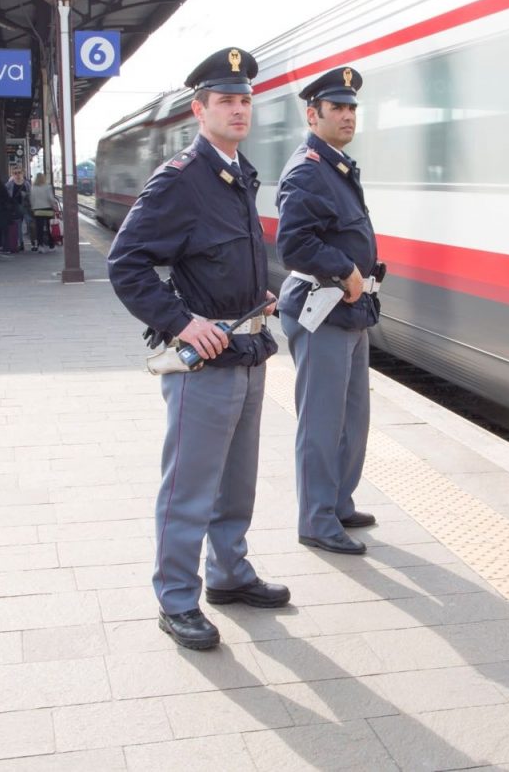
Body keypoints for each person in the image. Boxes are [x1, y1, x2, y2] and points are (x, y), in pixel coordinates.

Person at [107, 47, 287, 652]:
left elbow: (213, 254)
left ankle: (230, 574)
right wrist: (181, 322)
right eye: (226, 101)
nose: (239, 110)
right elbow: (126, 263)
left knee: (237, 481)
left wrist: (249, 294)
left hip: (247, 350)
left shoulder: (238, 173)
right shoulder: (181, 179)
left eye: (245, 101)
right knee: (189, 486)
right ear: (199, 108)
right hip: (204, 362)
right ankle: (176, 598)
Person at [275, 66, 382, 556]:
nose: (347, 116)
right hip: (324, 307)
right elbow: (294, 244)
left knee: (352, 417)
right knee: (321, 421)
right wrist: (346, 269)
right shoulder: (307, 168)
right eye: (336, 108)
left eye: (351, 108)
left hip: (350, 310)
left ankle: (338, 502)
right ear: (312, 114)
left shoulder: (335, 163)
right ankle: (316, 519)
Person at [29, 173, 58, 253]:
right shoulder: (47, 187)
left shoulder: (33, 188)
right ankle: (51, 245)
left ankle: (40, 246)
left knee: (39, 229)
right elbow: (50, 198)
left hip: (38, 210)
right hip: (47, 209)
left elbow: (32, 199)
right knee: (50, 228)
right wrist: (54, 205)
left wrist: (33, 208)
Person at [6, 168, 33, 250]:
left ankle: (33, 242)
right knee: (18, 225)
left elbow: (31, 194)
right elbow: (4, 193)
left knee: (29, 223)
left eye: (19, 172)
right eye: (15, 173)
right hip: (15, 208)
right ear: (12, 175)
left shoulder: (26, 184)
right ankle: (20, 243)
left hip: (25, 208)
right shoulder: (10, 184)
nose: (17, 175)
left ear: (23, 173)